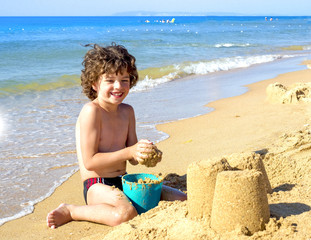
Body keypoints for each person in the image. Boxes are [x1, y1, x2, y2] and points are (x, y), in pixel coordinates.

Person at [47, 43, 186, 229]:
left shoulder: (127, 111)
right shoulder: (91, 111)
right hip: (97, 185)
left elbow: (133, 158)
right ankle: (72, 210)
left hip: (123, 180)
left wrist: (143, 152)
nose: (118, 86)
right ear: (94, 83)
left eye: (124, 80)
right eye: (110, 80)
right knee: (125, 215)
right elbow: (90, 161)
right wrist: (130, 152)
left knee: (181, 198)